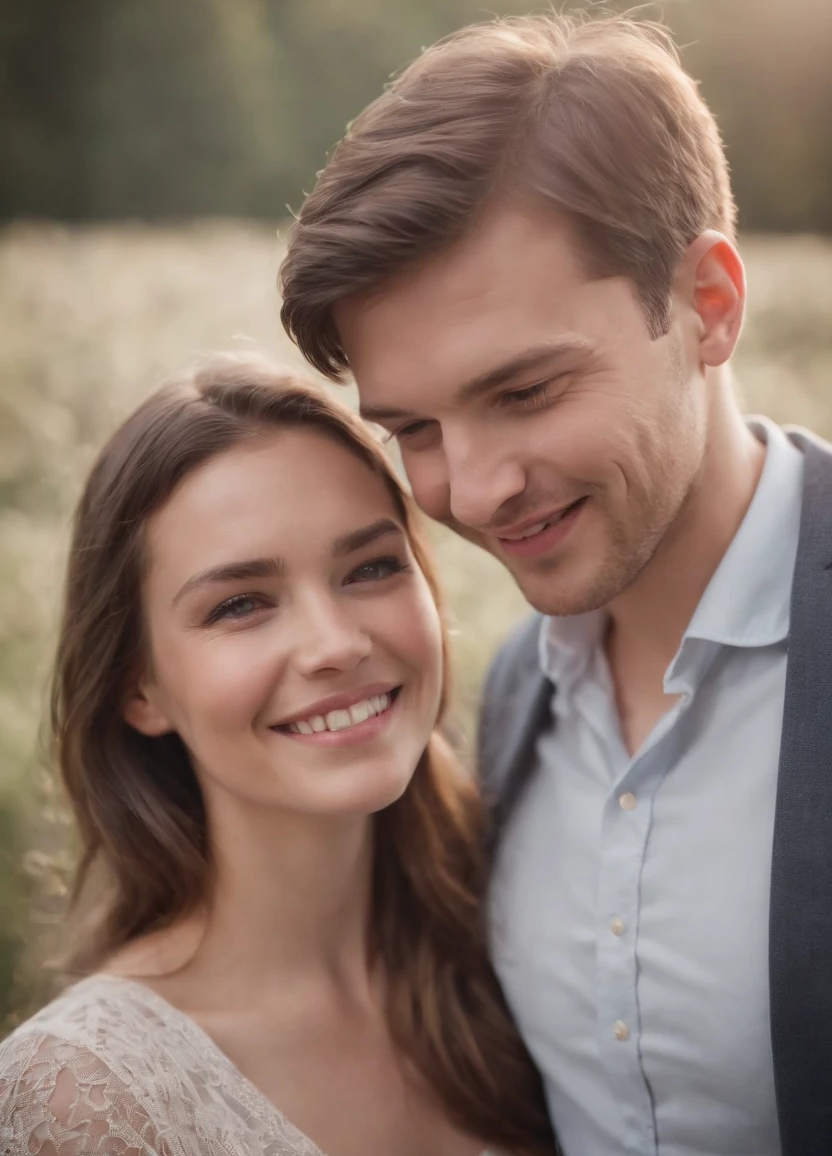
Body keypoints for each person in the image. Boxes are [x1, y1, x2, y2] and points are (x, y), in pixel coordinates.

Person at [278, 12, 832, 1156]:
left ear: (708, 306)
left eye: (524, 392)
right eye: (414, 429)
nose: (473, 493)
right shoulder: (515, 691)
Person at [0, 357, 554, 1156]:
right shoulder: (77, 1100)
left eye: (371, 567)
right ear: (140, 688)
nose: (335, 644)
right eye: (240, 605)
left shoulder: (525, 958)